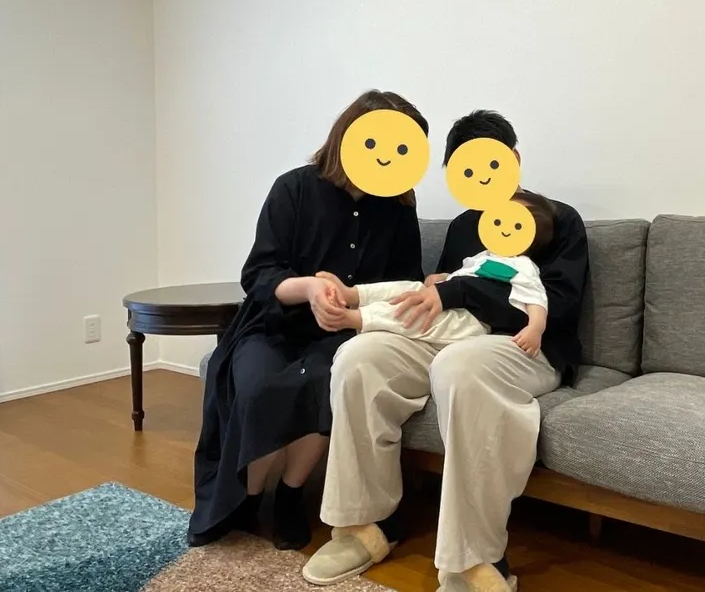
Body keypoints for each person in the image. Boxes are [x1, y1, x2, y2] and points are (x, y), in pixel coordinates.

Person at [303, 111, 589, 592]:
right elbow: (444, 296)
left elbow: (555, 306)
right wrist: (428, 291)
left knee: (459, 367)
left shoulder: (557, 219)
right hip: (458, 336)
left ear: (514, 159)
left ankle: (474, 559)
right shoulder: (463, 227)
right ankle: (365, 524)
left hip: (526, 345)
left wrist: (457, 292)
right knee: (360, 357)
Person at [187, 90, 428, 551]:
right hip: (272, 323)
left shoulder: (399, 208)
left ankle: (291, 494)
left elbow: (404, 282)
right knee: (257, 385)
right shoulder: (293, 188)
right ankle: (248, 495)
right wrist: (310, 289)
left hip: (342, 332)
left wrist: (354, 309)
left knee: (325, 383)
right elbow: (259, 274)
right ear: (347, 136)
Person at [318, 190, 557, 352]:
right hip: (453, 304)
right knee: (413, 288)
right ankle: (352, 294)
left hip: (471, 322)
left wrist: (535, 328)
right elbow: (464, 276)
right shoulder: (485, 255)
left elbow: (536, 299)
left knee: (420, 312)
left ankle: (355, 319)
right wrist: (442, 278)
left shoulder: (523, 265)